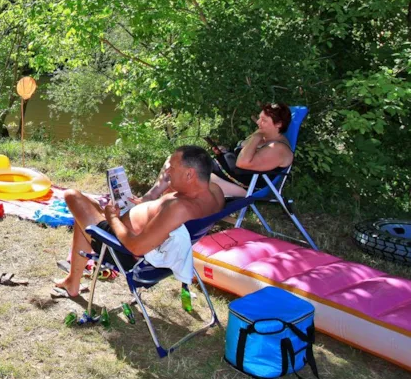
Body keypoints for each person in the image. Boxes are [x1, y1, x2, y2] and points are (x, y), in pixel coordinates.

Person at [53, 146, 224, 299]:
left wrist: (112, 219)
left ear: (189, 174)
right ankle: (72, 282)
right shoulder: (214, 192)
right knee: (88, 206)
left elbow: (136, 247)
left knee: (72, 196)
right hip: (139, 236)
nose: (168, 172)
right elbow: (166, 211)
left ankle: (72, 283)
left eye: (172, 167)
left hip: (122, 249)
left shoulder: (181, 208)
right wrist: (152, 196)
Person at [208, 103, 294, 198]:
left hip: (243, 187)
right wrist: (225, 151)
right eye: (259, 118)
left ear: (278, 124)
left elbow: (242, 163)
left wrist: (256, 137)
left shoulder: (278, 149)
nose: (258, 122)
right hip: (221, 173)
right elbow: (241, 149)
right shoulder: (264, 136)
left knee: (195, 179)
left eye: (264, 120)